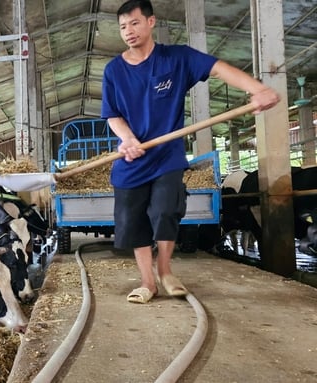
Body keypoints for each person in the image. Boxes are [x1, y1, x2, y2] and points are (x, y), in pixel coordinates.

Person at [101, 0, 280, 304]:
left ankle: (165, 269)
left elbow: (219, 69)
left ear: (151, 22)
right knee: (133, 223)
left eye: (134, 23)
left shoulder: (177, 58)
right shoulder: (114, 70)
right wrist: (127, 139)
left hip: (168, 156)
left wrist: (256, 88)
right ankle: (148, 282)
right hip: (132, 159)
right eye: (122, 27)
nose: (128, 32)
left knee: (166, 210)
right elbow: (112, 114)